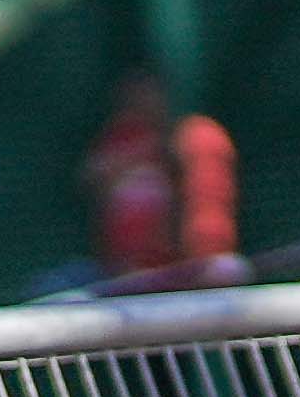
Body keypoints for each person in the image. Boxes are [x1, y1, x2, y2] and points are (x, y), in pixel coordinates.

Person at [79, 68, 239, 289]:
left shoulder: (194, 137)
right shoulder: (121, 140)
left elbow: (206, 216)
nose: (142, 100)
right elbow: (93, 177)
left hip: (188, 268)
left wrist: (204, 258)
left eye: (149, 93)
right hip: (123, 272)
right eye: (136, 94)